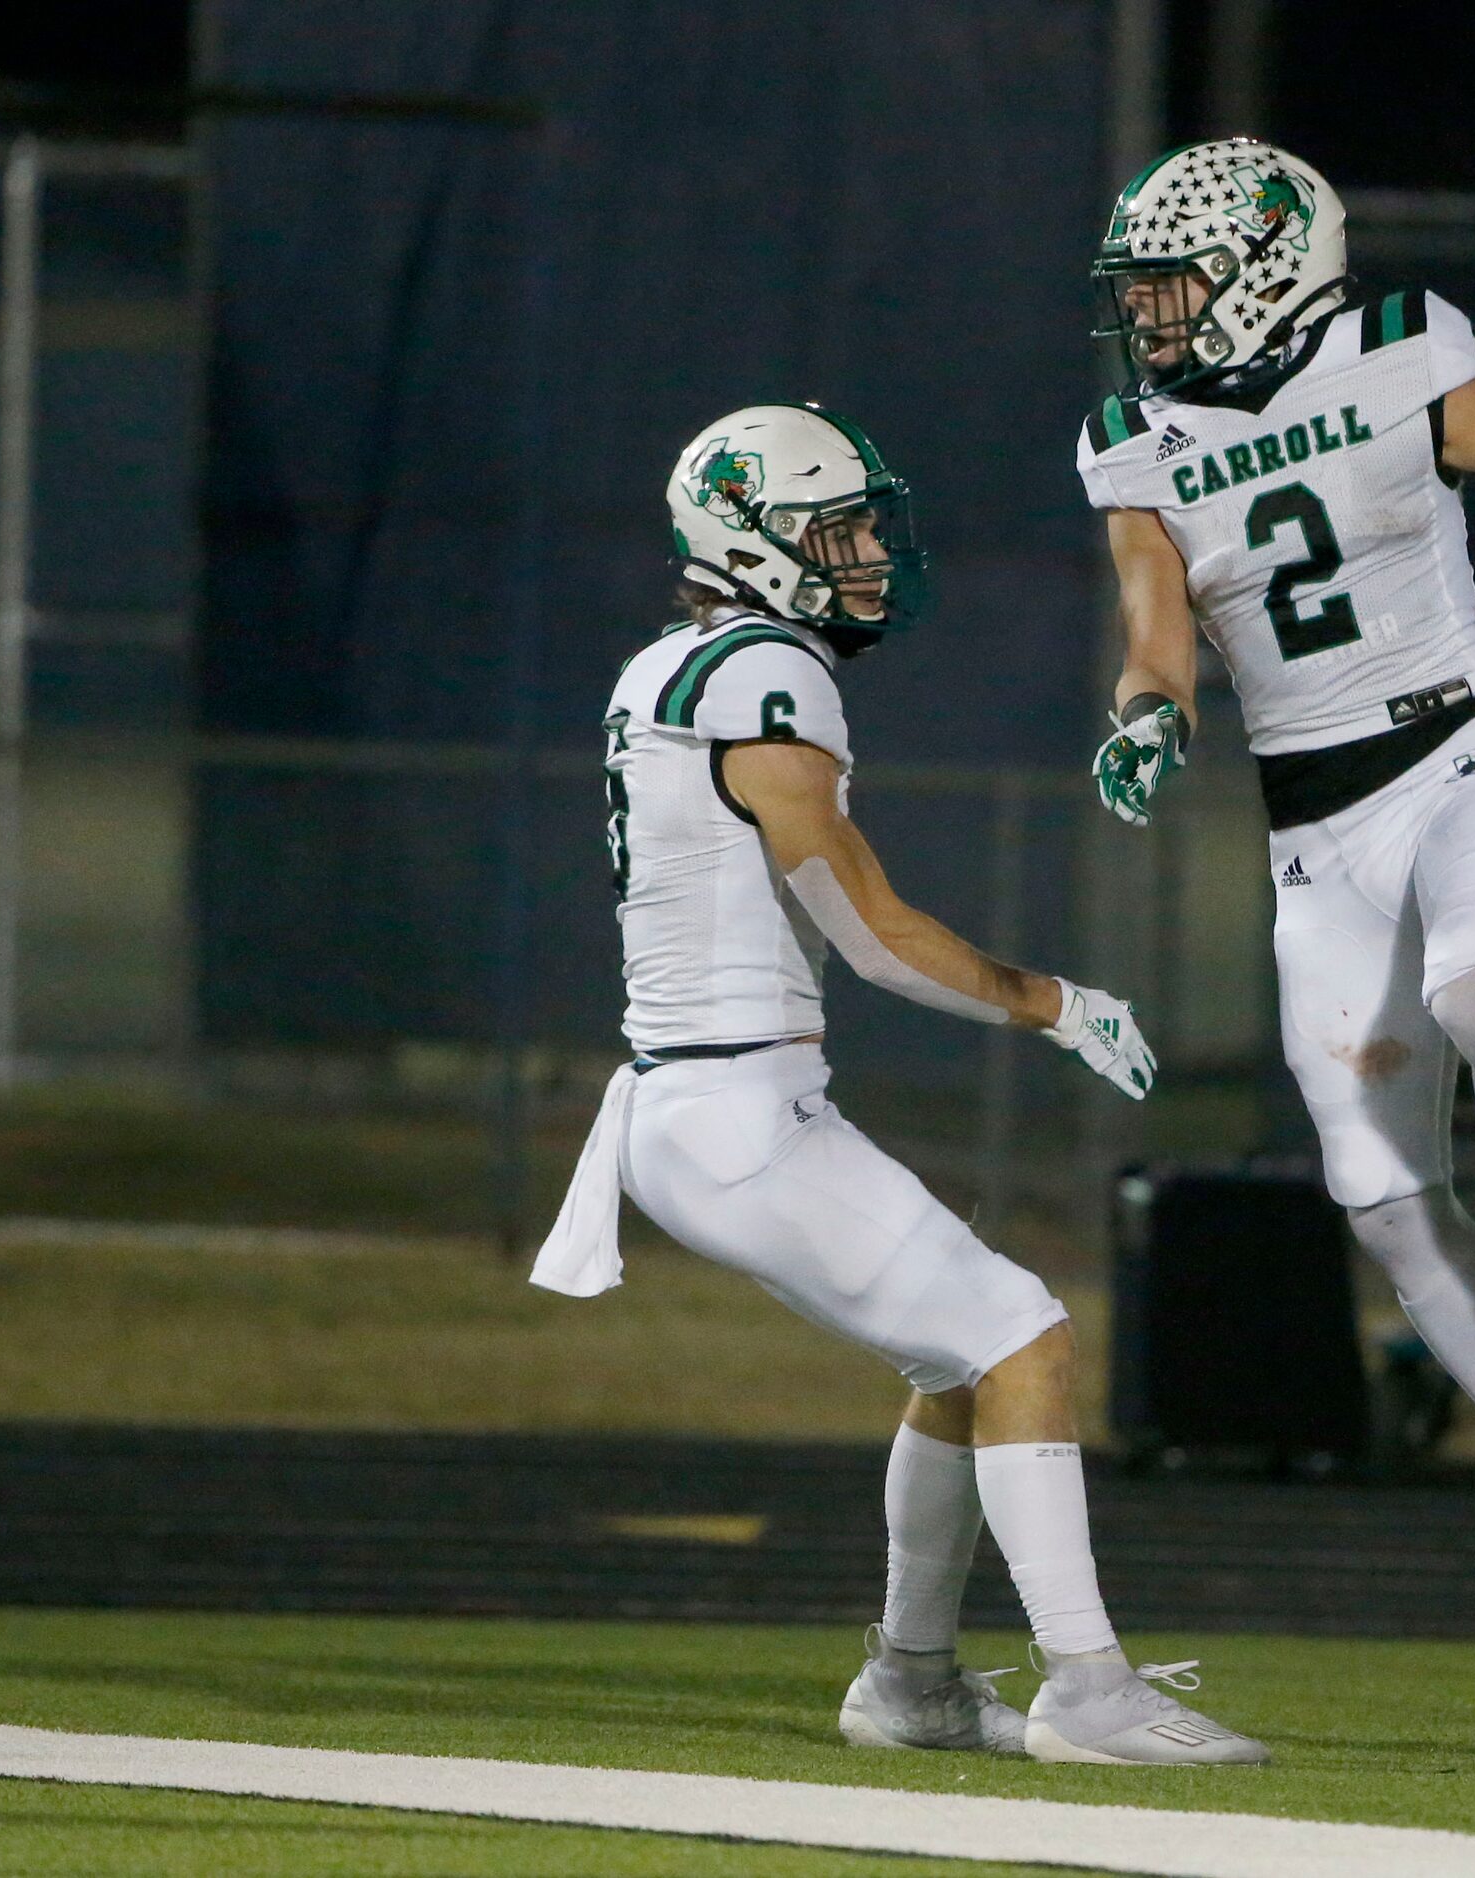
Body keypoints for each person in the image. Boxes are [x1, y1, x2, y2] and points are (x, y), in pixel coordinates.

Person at [1074, 140, 1475, 1671]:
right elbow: (1156, 622)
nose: (1153, 316)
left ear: (1264, 267)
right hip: (1315, 831)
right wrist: (1145, 714)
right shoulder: (1133, 439)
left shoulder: (1396, 350)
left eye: (1176, 283)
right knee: (1377, 1193)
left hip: (1461, 752)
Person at [533, 402, 1265, 1765]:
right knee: (1023, 1334)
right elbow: (866, 932)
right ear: (753, 539)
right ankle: (1087, 1686)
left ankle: (913, 1680)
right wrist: (1051, 1002)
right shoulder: (765, 673)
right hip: (728, 1110)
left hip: (702, 1103)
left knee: (959, 1358)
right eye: (840, 526)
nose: (869, 548)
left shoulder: (669, 665)